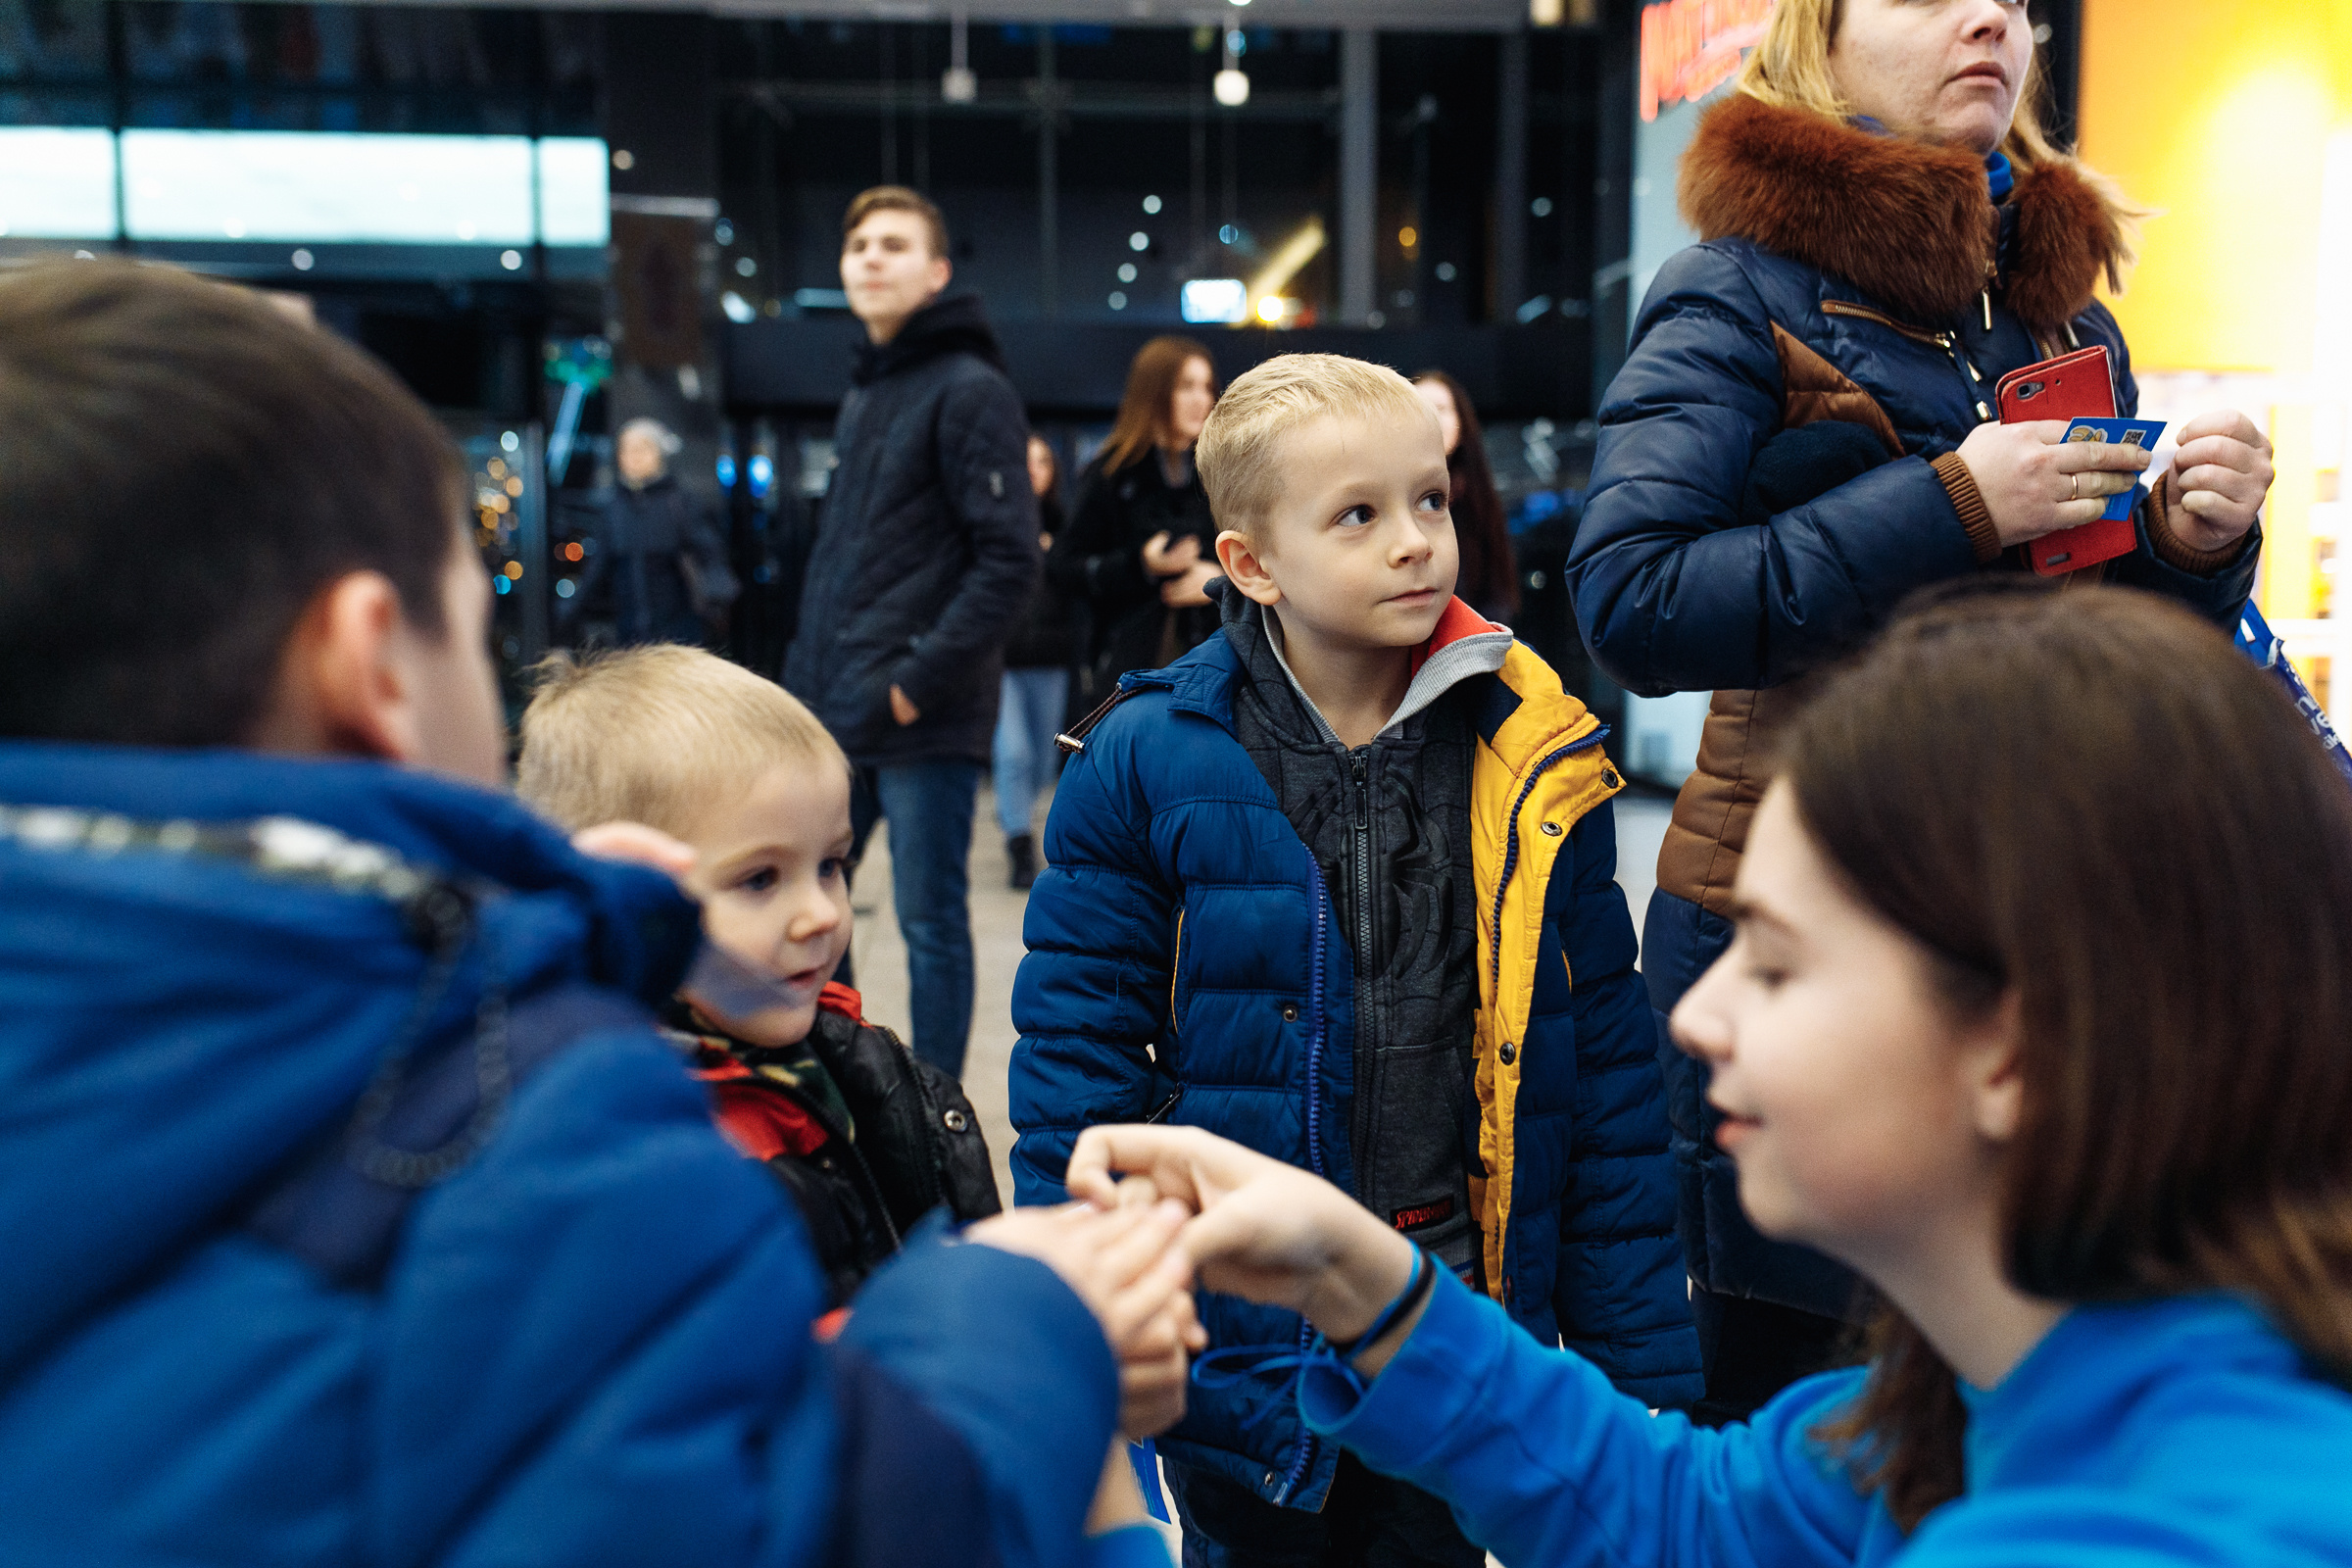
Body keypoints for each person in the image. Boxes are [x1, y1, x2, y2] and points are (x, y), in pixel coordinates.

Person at [0, 258, 1190, 1567]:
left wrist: (583, 922)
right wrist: (1023, 1323)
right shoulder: (542, 1126)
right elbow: (798, 1515)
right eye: (469, 626)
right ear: (374, 666)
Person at [1072, 579, 2352, 1567]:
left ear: (2019, 1045)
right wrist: (1357, 1279)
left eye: (1779, 966)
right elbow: (1697, 1520)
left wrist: (1100, 1517)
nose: (1701, 1016)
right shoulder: (1986, 1397)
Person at [1567, 0, 2277, 1419]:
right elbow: (1632, 599)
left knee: (2004, 1393)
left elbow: (2109, 653)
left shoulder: (2065, 315)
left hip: (2034, 937)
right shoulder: (1735, 289)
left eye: (2017, 0)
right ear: (1816, 36)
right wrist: (1953, 501)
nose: (1990, 21)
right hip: (1797, 930)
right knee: (1800, 1415)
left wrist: (2198, 551)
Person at [1010, 354, 1700, 1566]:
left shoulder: (1530, 748)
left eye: (1430, 500)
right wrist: (1083, 1341)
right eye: (1359, 515)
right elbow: (1077, 1072)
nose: (1415, 543)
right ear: (1252, 564)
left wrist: (1641, 1366)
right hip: (1246, 1332)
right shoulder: (1143, 762)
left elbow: (1604, 1077)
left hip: (1458, 1307)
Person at [514, 645, 1004, 1307]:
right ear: (626, 899)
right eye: (759, 879)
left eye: (831, 865)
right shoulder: (648, 1153)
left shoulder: (848, 1053)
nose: (820, 915)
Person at [783, 185, 1041, 1081]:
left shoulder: (971, 389)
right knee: (818, 909)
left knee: (930, 922)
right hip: (831, 709)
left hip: (920, 715)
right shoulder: (869, 394)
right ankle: (848, 1084)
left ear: (936, 274)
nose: (869, 258)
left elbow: (1008, 563)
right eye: (857, 244)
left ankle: (933, 1114)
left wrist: (911, 682)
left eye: (893, 244)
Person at [1052, 336, 1221, 700]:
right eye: (1186, 386)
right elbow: (1063, 567)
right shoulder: (1111, 474)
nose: (1202, 399)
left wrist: (1221, 582)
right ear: (1156, 392)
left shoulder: (1219, 475)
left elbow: (1257, 561)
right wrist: (1142, 564)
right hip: (1130, 670)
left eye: (1206, 387)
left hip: (1214, 663)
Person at [565, 416, 738, 647]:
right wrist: (568, 611)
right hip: (630, 633)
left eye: (642, 448)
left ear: (659, 453)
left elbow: (710, 554)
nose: (633, 457)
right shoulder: (613, 507)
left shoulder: (680, 502)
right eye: (626, 449)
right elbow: (597, 568)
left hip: (679, 631)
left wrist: (717, 602)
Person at [1001, 433, 1081, 890]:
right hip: (1001, 658)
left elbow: (1080, 586)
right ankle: (1017, 839)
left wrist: (1055, 556)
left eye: (1042, 461)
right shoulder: (994, 520)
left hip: (1050, 656)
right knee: (1012, 752)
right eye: (1024, 460)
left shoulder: (1067, 525)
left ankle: (1017, 816)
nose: (1033, 469)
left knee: (1040, 761)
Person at [1410, 370, 1519, 626]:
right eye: (1421, 408)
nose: (1432, 418)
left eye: (1441, 408)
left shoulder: (1478, 493)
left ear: (1461, 420)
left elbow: (1498, 588)